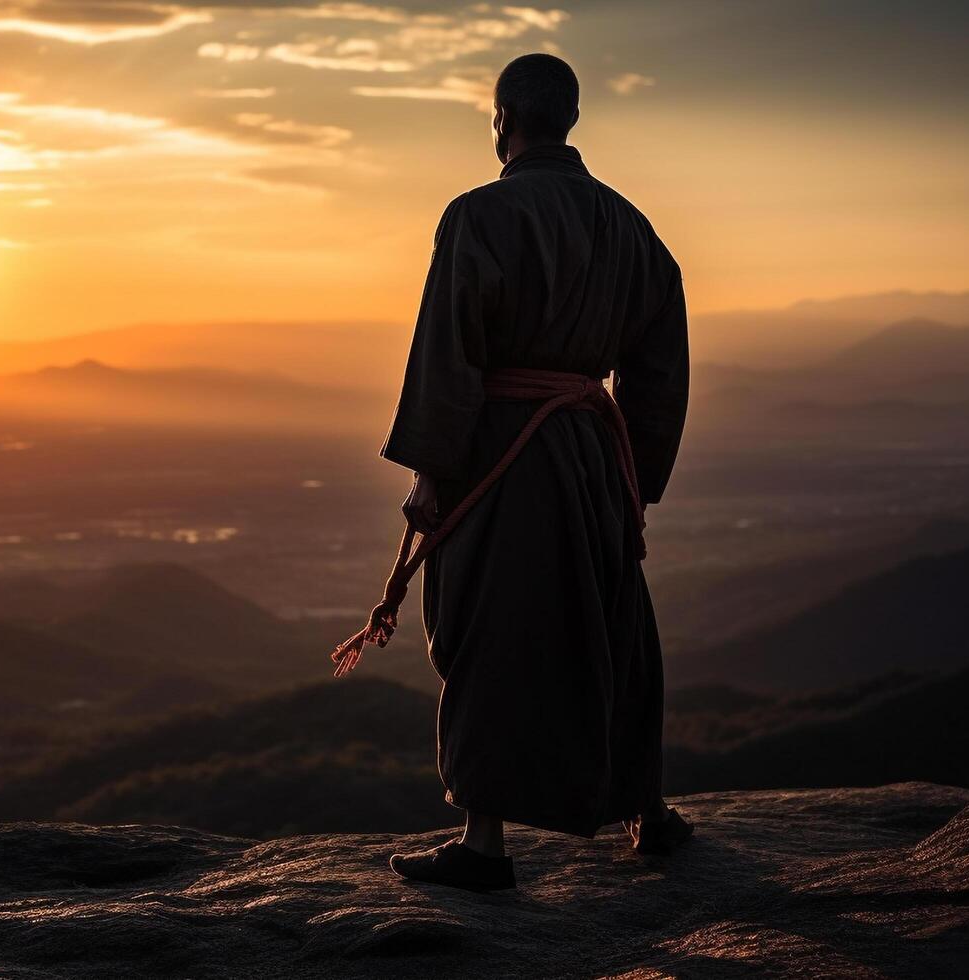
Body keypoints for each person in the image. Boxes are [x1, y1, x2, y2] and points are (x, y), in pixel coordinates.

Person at [345, 52, 693, 892]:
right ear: (568, 120)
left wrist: (432, 471)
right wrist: (632, 476)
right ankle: (645, 807)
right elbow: (659, 366)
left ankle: (484, 845)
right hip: (589, 454)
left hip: (499, 451)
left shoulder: (479, 216)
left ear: (502, 120)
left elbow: (448, 349)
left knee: (489, 631)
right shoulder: (631, 227)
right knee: (612, 628)